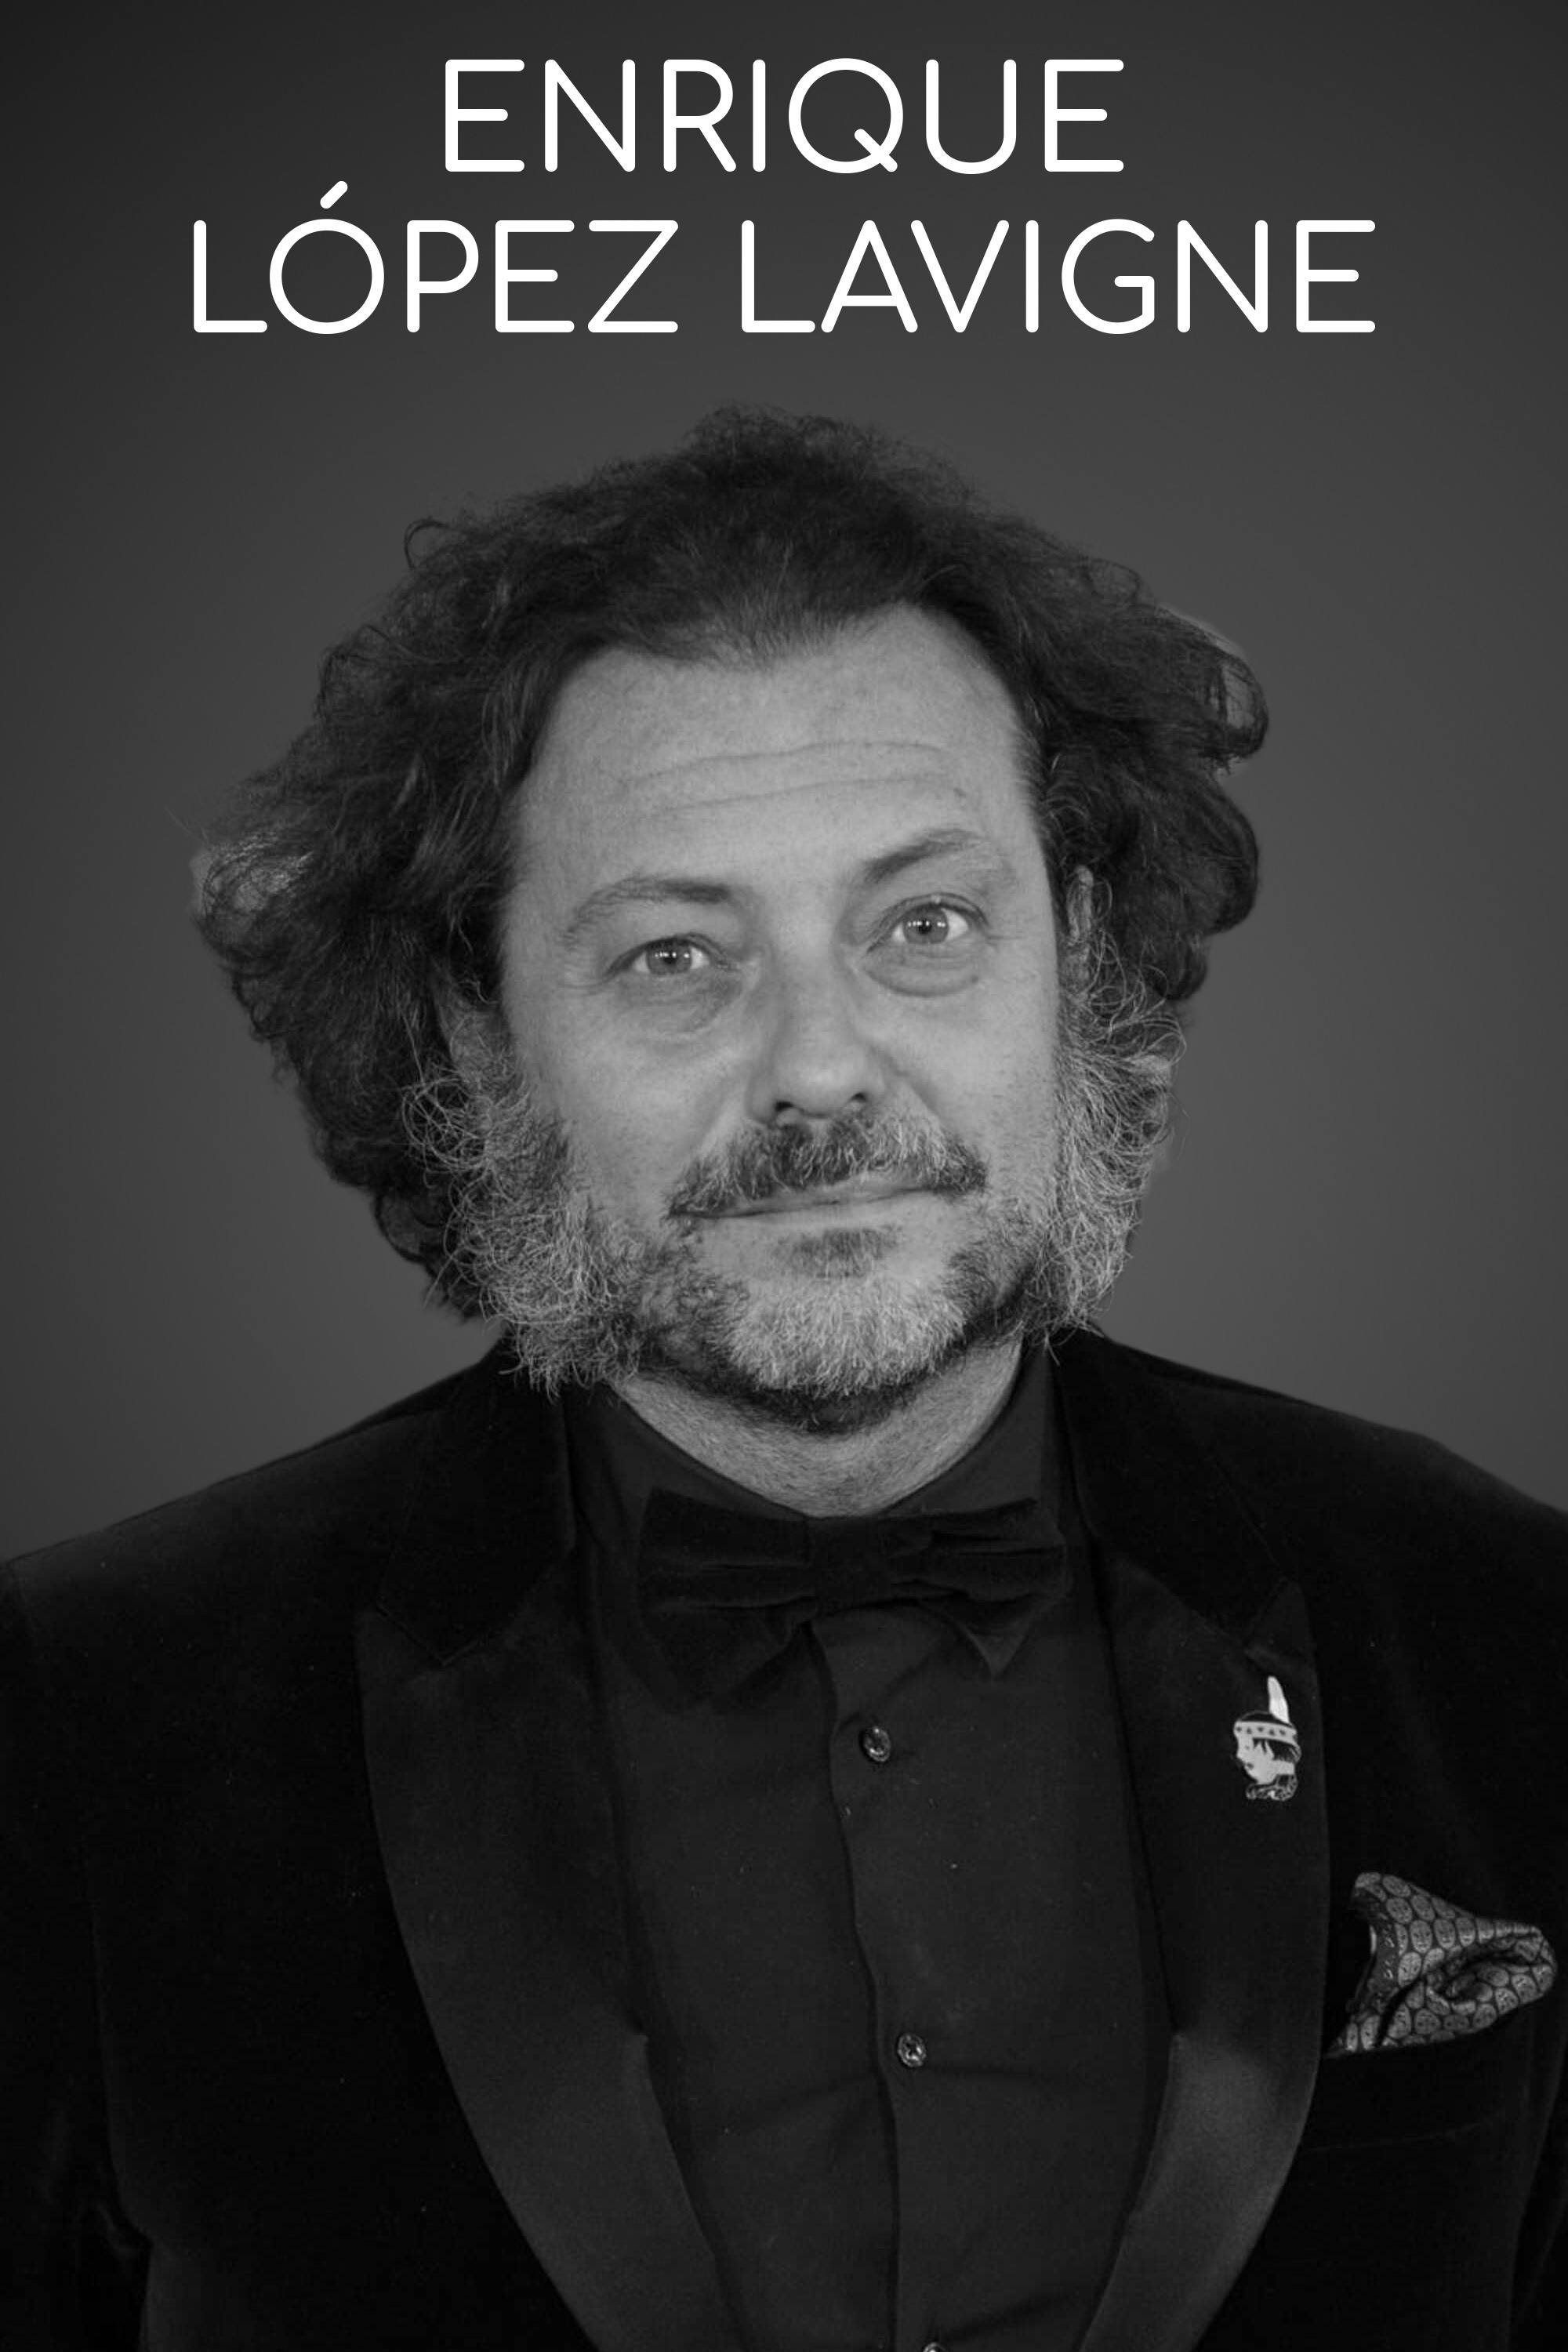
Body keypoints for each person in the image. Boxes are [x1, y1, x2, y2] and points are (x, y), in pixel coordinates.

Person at [2, 410, 1563, 2352]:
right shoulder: (75, 1717)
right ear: (478, 1033)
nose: (820, 1068)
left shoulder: (1508, 1626)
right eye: (674, 956)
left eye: (926, 924)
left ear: (1074, 955)